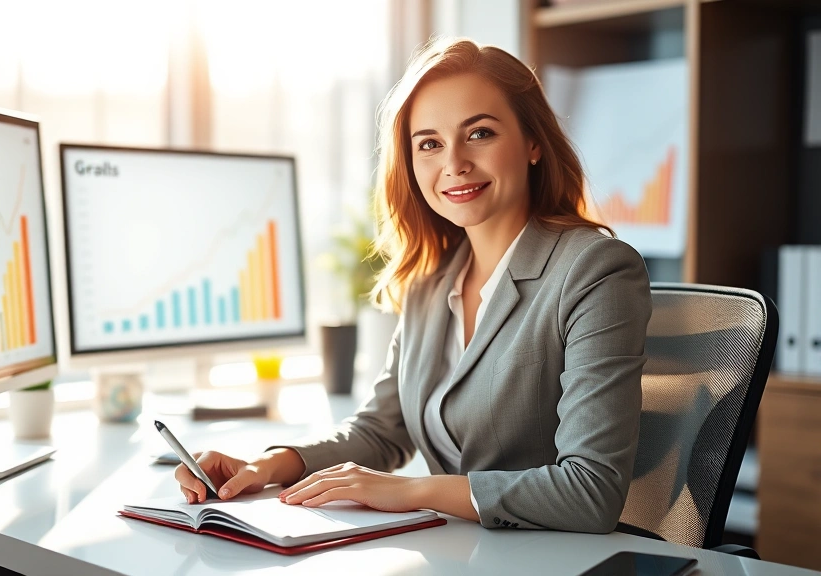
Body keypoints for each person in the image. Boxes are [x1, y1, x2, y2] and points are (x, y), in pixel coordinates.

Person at [175, 36, 652, 533]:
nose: (454, 163)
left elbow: (590, 490)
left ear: (533, 142)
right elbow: (381, 431)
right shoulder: (433, 279)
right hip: (463, 556)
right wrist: (269, 465)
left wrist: (411, 491)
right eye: (430, 143)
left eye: (481, 133)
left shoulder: (595, 270)